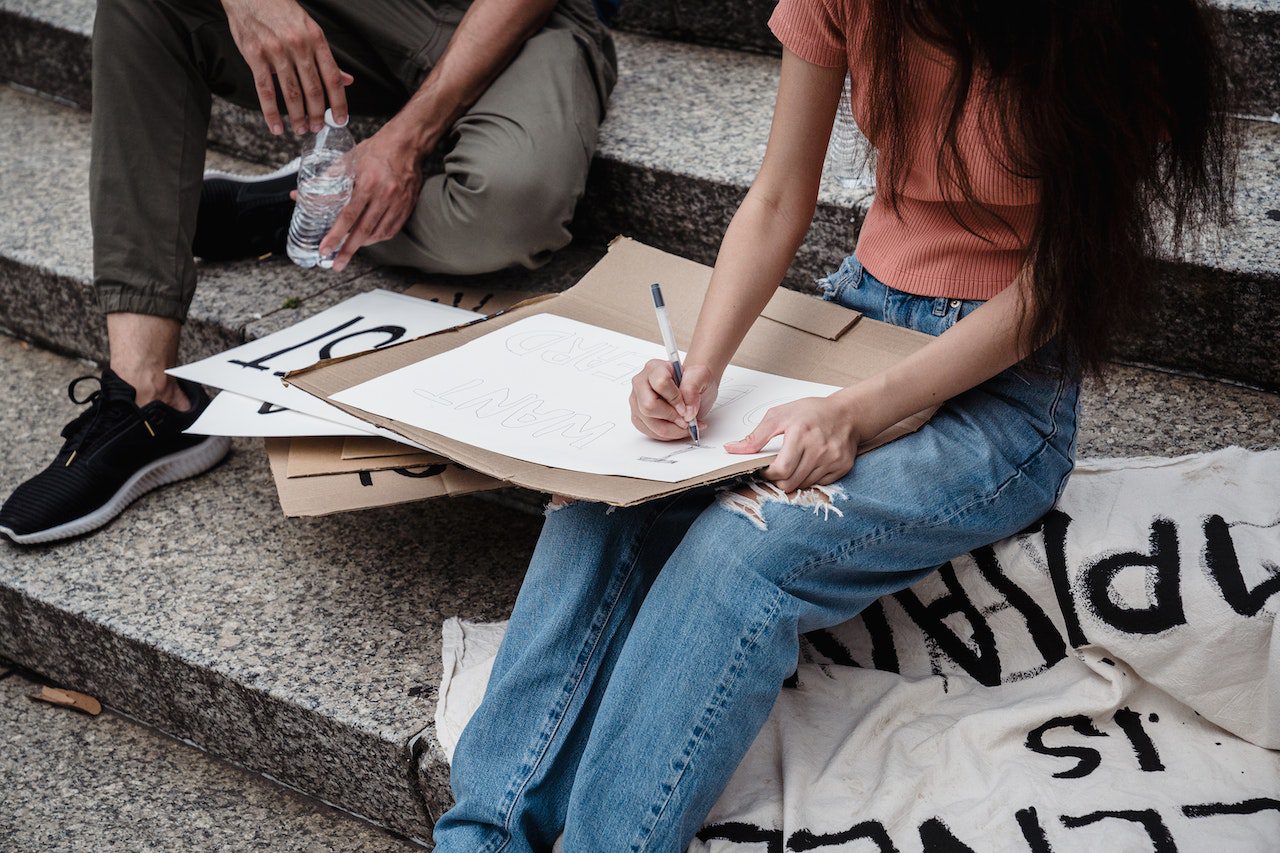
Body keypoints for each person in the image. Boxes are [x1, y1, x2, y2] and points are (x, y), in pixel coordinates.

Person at [430, 0, 1235, 849]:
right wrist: (695, 373)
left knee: (740, 548)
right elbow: (779, 195)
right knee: (605, 496)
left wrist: (860, 412)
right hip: (855, 325)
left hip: (1001, 385)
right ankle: (479, 834)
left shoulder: (1112, 24)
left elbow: (1060, 286)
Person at [0, 0, 615, 544]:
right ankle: (148, 394)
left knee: (511, 204)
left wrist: (407, 141)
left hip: (513, 15)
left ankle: (302, 206)